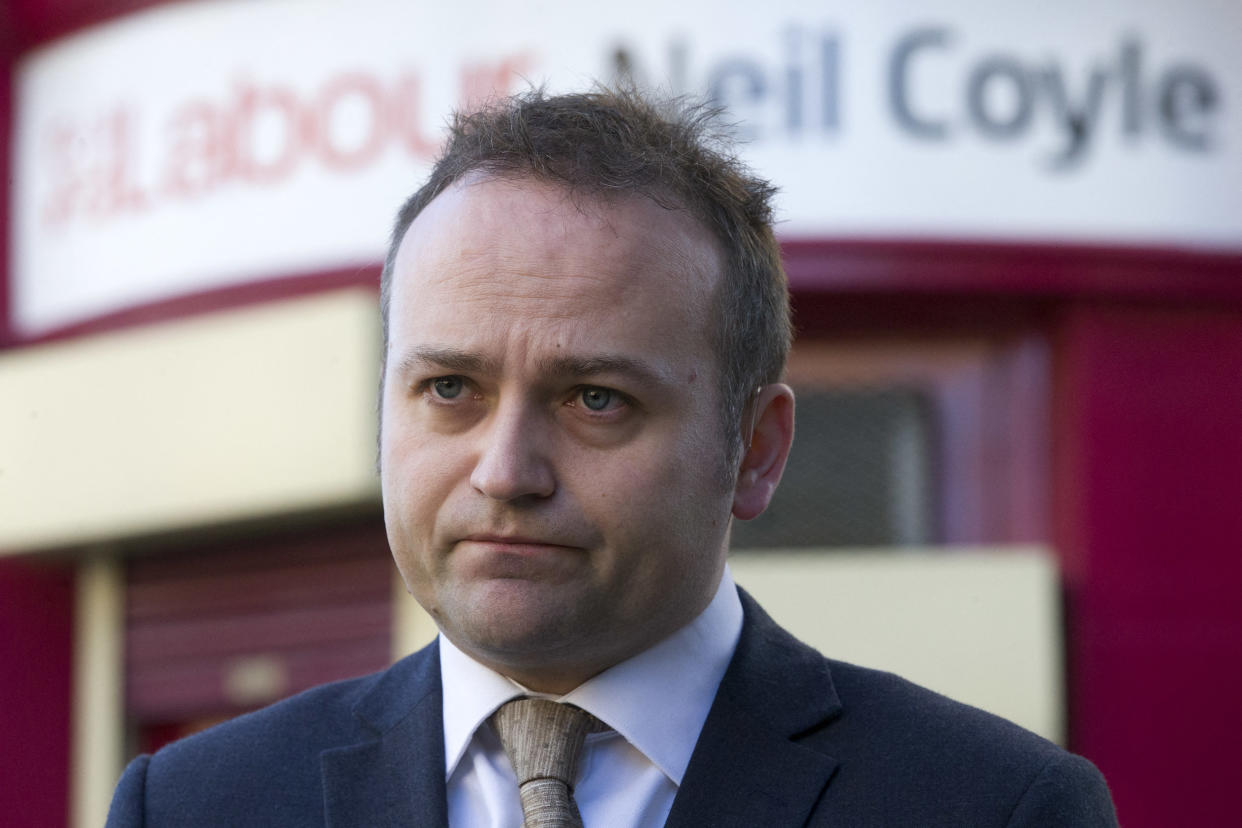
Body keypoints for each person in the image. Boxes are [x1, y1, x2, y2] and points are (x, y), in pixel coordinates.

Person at [106, 87, 1118, 827]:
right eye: (449, 390)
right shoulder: (197, 804)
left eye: (596, 400)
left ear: (755, 453)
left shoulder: (993, 808)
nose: (504, 472)